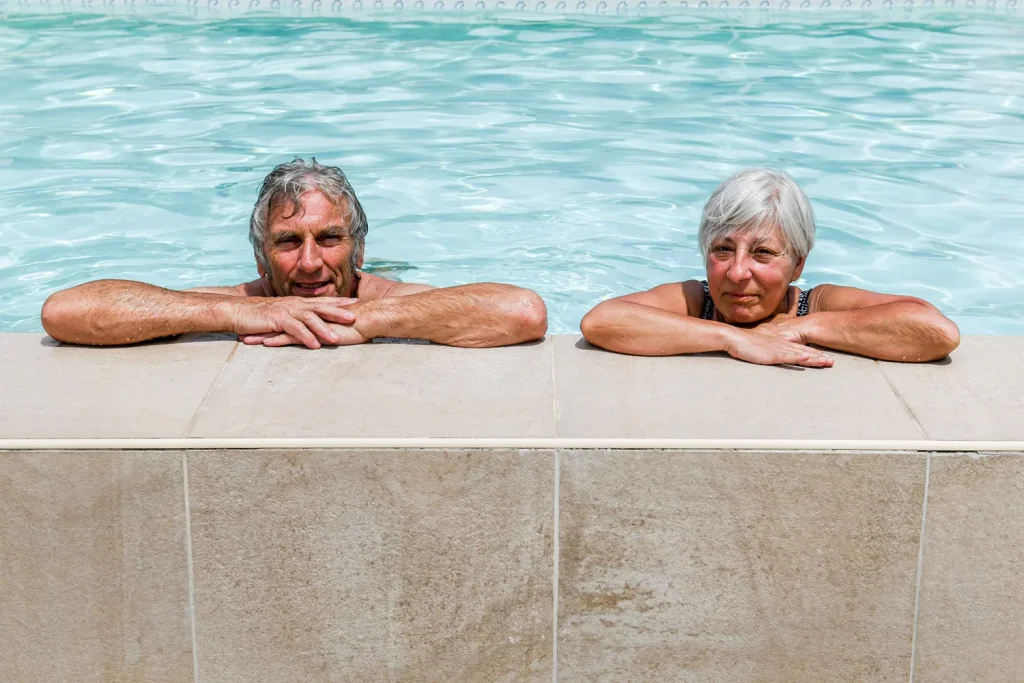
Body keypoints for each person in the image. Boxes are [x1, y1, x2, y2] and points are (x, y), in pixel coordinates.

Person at [41, 157, 547, 348]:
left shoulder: (393, 298)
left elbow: (521, 312)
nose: (309, 263)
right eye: (287, 242)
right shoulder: (241, 298)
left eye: (330, 239)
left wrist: (365, 320)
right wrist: (239, 311)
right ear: (260, 258)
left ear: (359, 248)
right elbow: (65, 311)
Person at [580, 168, 960, 366]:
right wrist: (733, 338)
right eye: (723, 249)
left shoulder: (819, 303)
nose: (737, 272)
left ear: (798, 264)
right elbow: (602, 321)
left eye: (762, 253)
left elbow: (935, 330)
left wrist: (799, 328)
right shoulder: (698, 301)